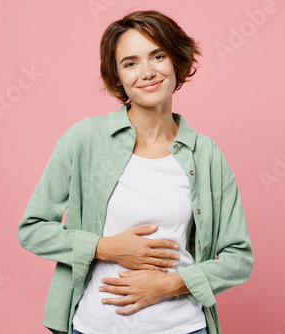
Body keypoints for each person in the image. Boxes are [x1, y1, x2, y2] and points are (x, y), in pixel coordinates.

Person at [17, 9, 254, 334]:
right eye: (130, 63)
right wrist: (106, 248)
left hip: (183, 328)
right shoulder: (85, 140)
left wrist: (169, 285)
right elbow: (32, 229)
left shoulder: (206, 155)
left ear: (176, 61)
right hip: (95, 327)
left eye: (157, 55)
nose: (147, 72)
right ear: (117, 77)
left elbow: (238, 257)